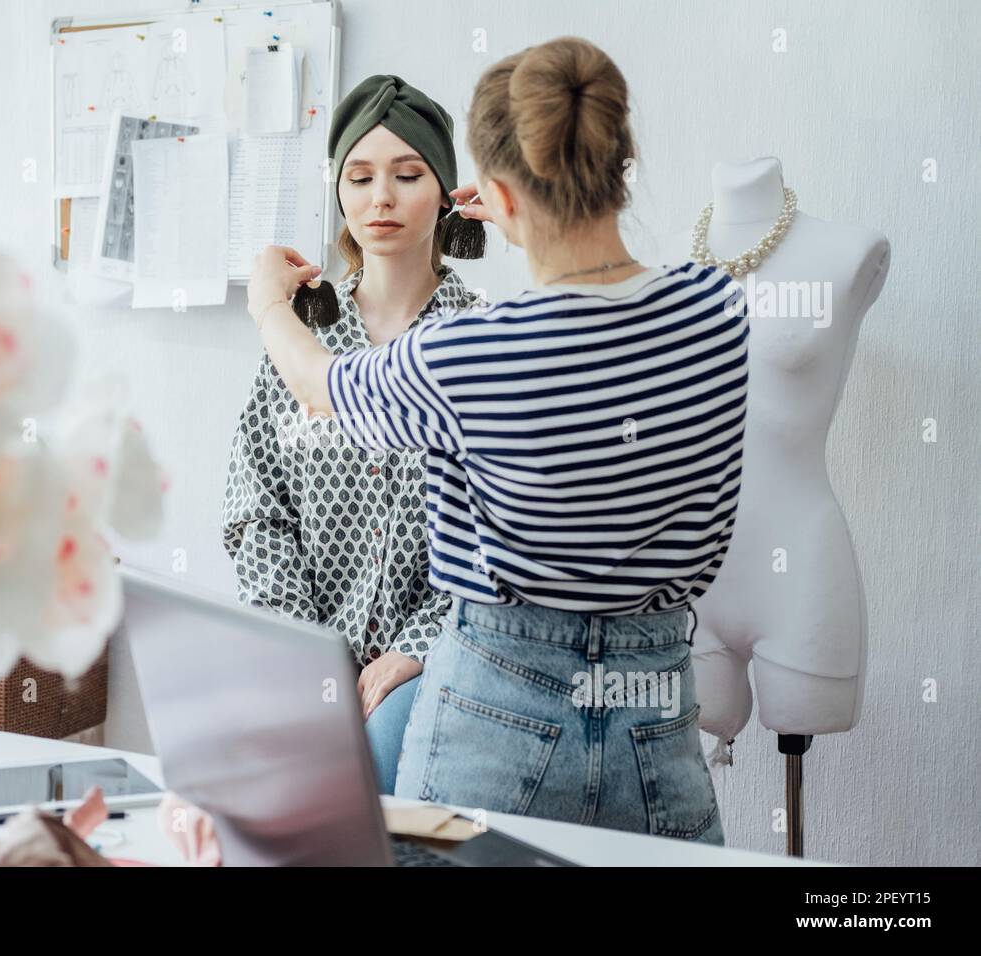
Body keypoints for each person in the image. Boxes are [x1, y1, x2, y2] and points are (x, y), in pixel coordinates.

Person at [243, 37, 748, 844]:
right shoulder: (715, 314)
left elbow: (321, 386)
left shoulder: (469, 353)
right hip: (653, 711)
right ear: (623, 163)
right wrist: (527, 212)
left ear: (492, 195)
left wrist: (269, 305)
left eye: (410, 175)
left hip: (495, 711)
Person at [221, 75, 484, 794]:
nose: (382, 199)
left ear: (446, 191)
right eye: (361, 177)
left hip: (440, 656)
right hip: (306, 646)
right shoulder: (302, 335)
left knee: (365, 766)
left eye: (408, 175)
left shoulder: (481, 339)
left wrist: (416, 647)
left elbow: (503, 529)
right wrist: (305, 648)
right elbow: (256, 508)